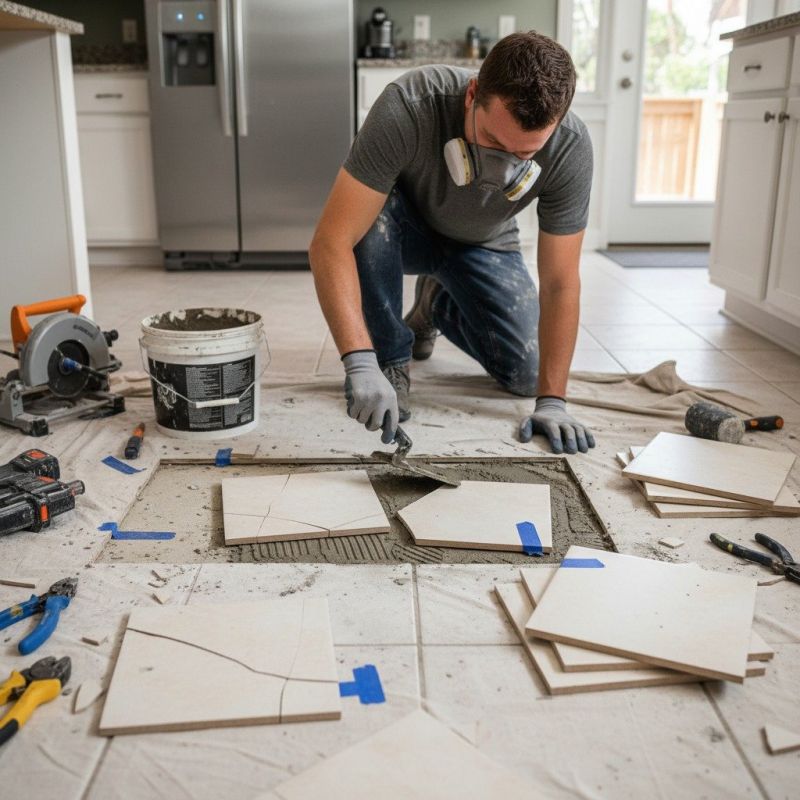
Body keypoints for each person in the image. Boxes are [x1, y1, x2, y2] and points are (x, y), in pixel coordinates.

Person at [309, 30, 596, 455]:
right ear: (472, 95)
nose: (502, 170)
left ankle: (434, 306)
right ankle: (389, 359)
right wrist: (359, 360)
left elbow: (560, 282)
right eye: (494, 141)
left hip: (484, 243)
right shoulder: (410, 104)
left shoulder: (569, 147)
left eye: (523, 155)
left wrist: (552, 401)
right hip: (400, 230)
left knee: (525, 374)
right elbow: (332, 241)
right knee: (368, 219)